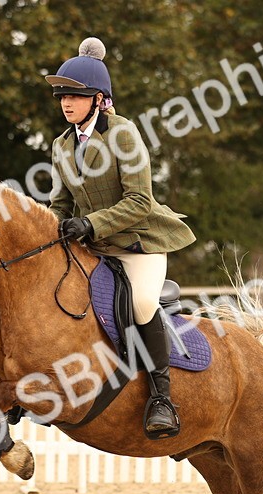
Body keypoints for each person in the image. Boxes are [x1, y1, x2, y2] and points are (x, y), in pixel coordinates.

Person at [46, 37, 196, 440]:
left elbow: (140, 200)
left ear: (98, 99)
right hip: (93, 247)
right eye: (62, 95)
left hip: (137, 244)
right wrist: (51, 231)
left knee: (144, 302)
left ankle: (162, 398)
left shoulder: (123, 134)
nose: (65, 102)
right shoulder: (61, 145)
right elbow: (60, 203)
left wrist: (90, 224)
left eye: (74, 95)